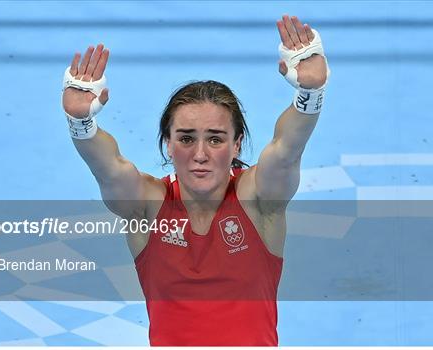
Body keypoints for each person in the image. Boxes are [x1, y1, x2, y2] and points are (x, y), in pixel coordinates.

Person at [62, 14, 328, 346]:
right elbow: (108, 167)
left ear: (237, 144)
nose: (200, 154)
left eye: (215, 139)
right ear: (168, 145)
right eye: (186, 139)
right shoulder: (147, 207)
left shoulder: (258, 201)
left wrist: (310, 93)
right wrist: (80, 122)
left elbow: (287, 150)